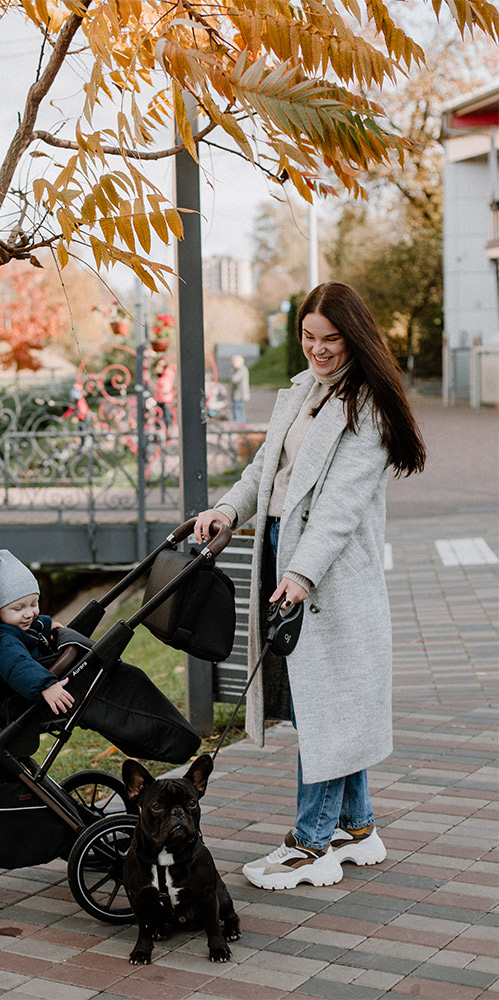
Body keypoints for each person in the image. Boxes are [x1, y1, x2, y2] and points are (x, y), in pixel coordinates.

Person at [194, 282, 426, 891]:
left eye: (331, 339)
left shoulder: (367, 405)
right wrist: (227, 510)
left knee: (326, 705)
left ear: (355, 337)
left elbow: (341, 508)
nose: (318, 350)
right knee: (329, 701)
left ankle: (310, 844)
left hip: (328, 575)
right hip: (281, 555)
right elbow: (264, 469)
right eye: (309, 337)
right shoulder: (300, 392)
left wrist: (300, 575)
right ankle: (355, 827)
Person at [0, 549, 77, 715]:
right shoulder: (5, 641)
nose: (29, 613)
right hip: (37, 689)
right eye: (18, 608)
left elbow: (32, 632)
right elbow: (18, 666)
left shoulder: (19, 625)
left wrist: (46, 628)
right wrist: (46, 685)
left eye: (34, 604)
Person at [153, 358, 176, 431]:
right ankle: (159, 431)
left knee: (165, 415)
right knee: (159, 415)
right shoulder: (162, 375)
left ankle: (167, 431)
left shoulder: (167, 374)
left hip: (165, 399)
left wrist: (166, 390)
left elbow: (167, 385)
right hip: (160, 398)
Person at [229, 353, 250, 422]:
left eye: (234, 362)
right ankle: (240, 423)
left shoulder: (241, 370)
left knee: (237, 409)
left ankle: (239, 424)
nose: (233, 364)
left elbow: (235, 379)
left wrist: (233, 372)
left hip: (239, 394)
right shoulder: (243, 369)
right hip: (238, 394)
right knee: (239, 408)